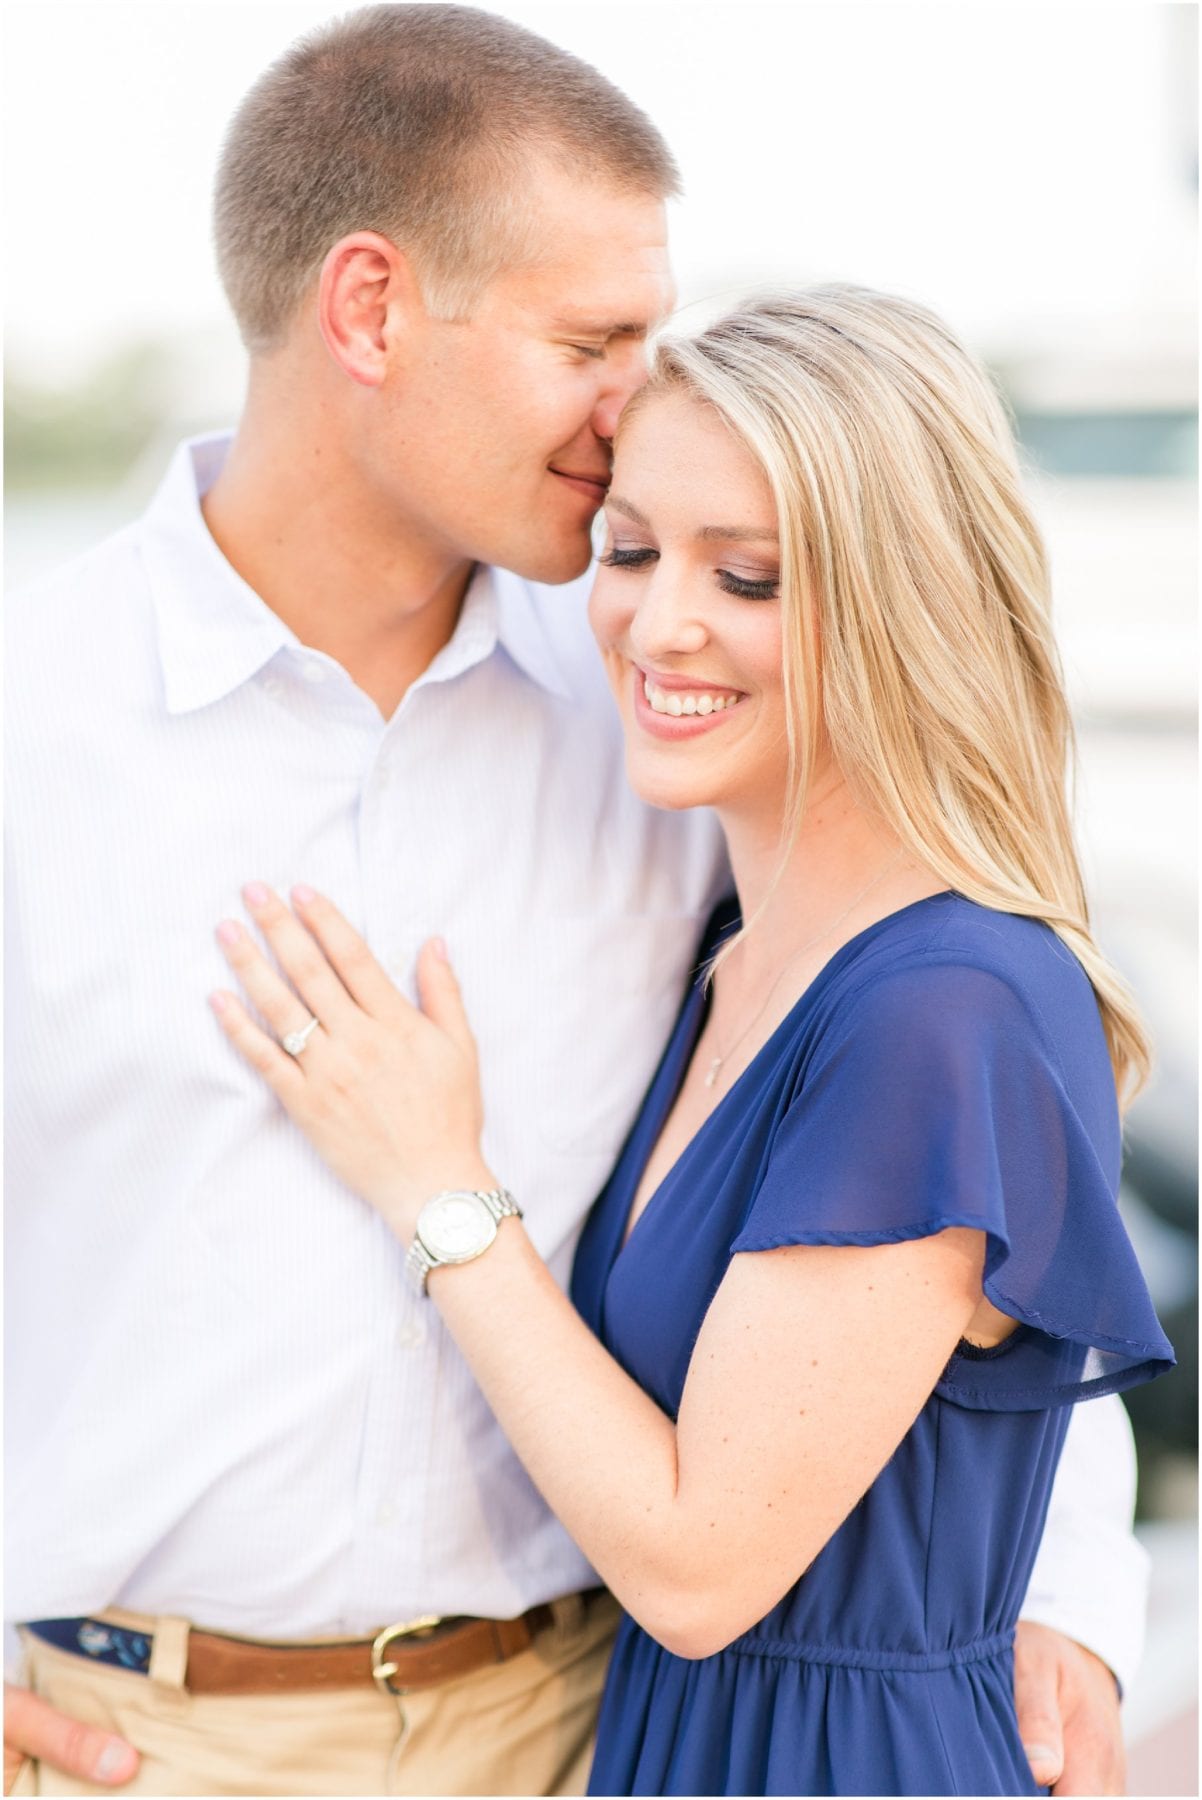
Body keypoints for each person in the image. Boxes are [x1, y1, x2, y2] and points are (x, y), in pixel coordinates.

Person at [2, 4, 1149, 1792]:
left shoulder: (667, 712)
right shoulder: (32, 729)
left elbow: (953, 1167)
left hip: (580, 1725)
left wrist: (1068, 1581)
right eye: (592, 340)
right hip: (134, 1749)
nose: (638, 404)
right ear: (370, 308)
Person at [207, 286, 1173, 1797]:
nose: (658, 624)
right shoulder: (738, 961)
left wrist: (434, 1185)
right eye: (631, 551)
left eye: (753, 576)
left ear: (903, 600)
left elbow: (696, 1564)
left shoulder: (944, 1005)